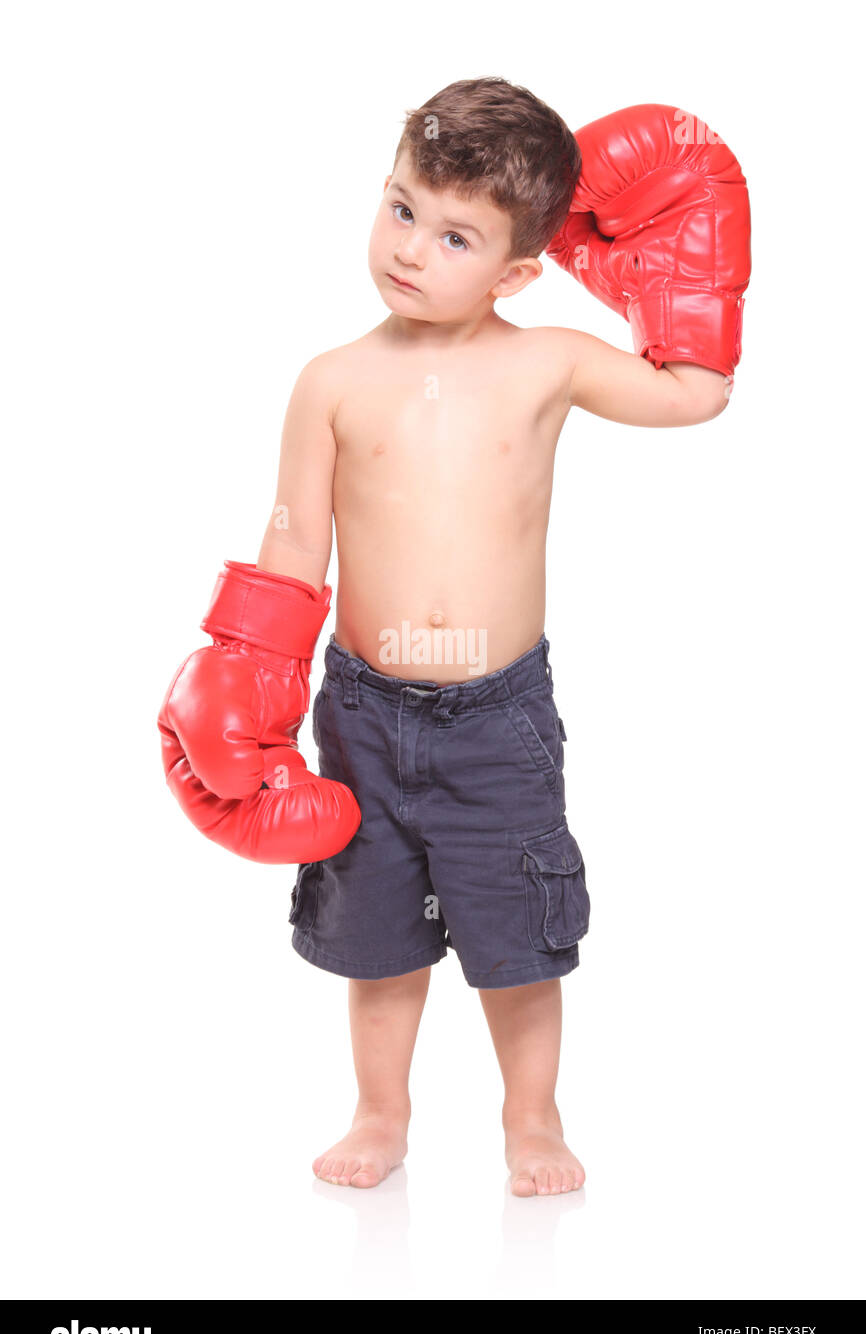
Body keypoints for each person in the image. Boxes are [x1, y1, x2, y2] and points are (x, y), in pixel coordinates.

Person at [159, 78, 749, 1196]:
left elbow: (690, 396)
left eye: (454, 235)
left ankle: (533, 1117)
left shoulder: (549, 361)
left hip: (497, 717)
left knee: (513, 932)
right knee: (375, 932)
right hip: (365, 708)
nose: (410, 249)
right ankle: (380, 1110)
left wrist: (678, 266)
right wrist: (243, 677)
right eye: (398, 208)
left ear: (520, 269)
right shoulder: (329, 381)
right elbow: (292, 544)